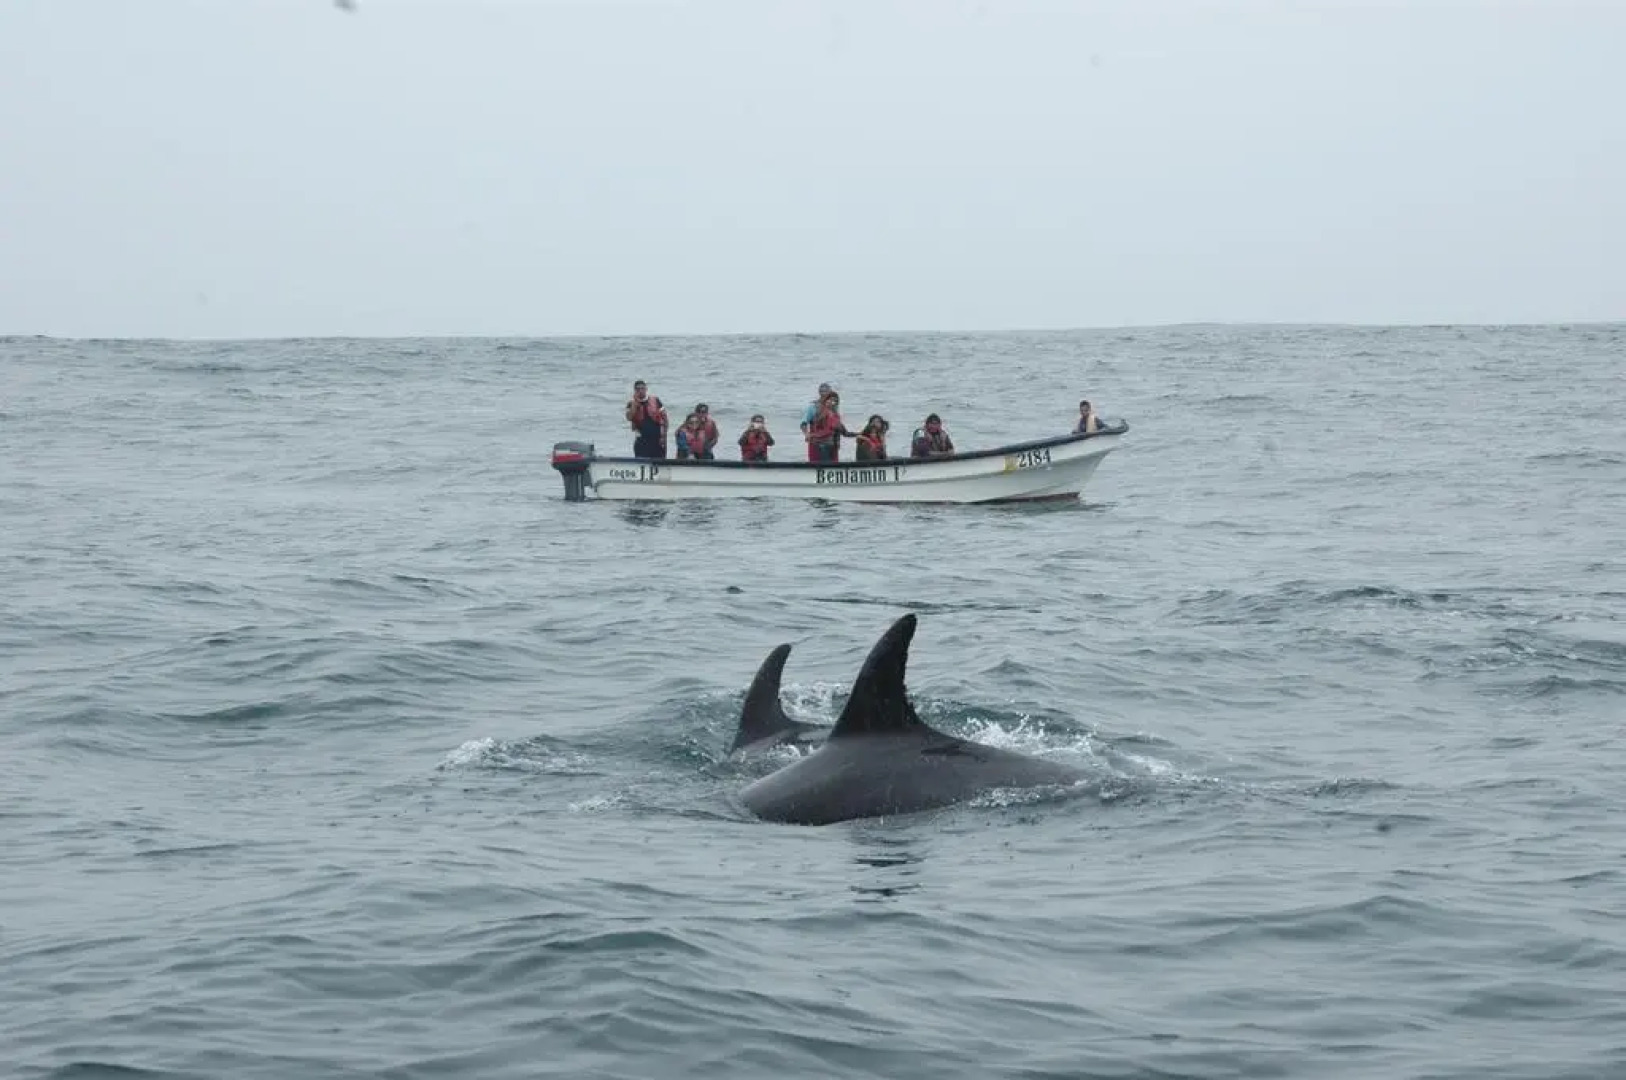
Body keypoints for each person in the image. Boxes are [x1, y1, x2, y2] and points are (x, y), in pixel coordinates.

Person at [806, 390, 854, 463]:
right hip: (822, 446)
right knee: (826, 468)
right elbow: (820, 427)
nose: (832, 402)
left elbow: (845, 432)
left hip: (833, 447)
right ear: (826, 400)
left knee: (832, 469)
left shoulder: (836, 416)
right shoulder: (821, 412)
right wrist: (812, 435)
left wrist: (860, 434)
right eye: (830, 400)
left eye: (835, 401)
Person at [625, 380, 667, 459]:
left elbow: (665, 419)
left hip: (657, 439)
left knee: (660, 463)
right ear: (635, 390)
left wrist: (664, 437)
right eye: (638, 389)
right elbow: (629, 417)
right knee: (641, 462)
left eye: (642, 388)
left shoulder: (656, 400)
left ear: (646, 389)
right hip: (641, 440)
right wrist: (635, 404)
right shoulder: (631, 404)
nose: (640, 391)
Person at [799, 382, 834, 450]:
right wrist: (806, 434)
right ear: (819, 393)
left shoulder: (833, 407)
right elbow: (803, 423)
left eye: (826, 391)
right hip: (816, 443)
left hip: (831, 444)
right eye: (823, 391)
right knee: (816, 460)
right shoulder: (813, 407)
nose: (824, 393)